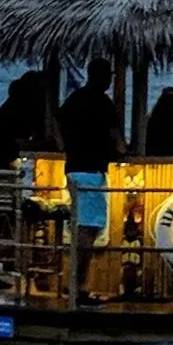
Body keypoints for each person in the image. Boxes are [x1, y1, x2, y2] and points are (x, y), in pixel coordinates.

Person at [58, 57, 127, 306]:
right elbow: (116, 135)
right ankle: (77, 289)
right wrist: (122, 150)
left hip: (73, 168)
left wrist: (65, 146)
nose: (110, 80)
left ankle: (76, 287)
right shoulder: (103, 103)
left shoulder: (74, 99)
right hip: (90, 171)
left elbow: (58, 122)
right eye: (108, 75)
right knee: (88, 231)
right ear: (103, 76)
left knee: (83, 228)